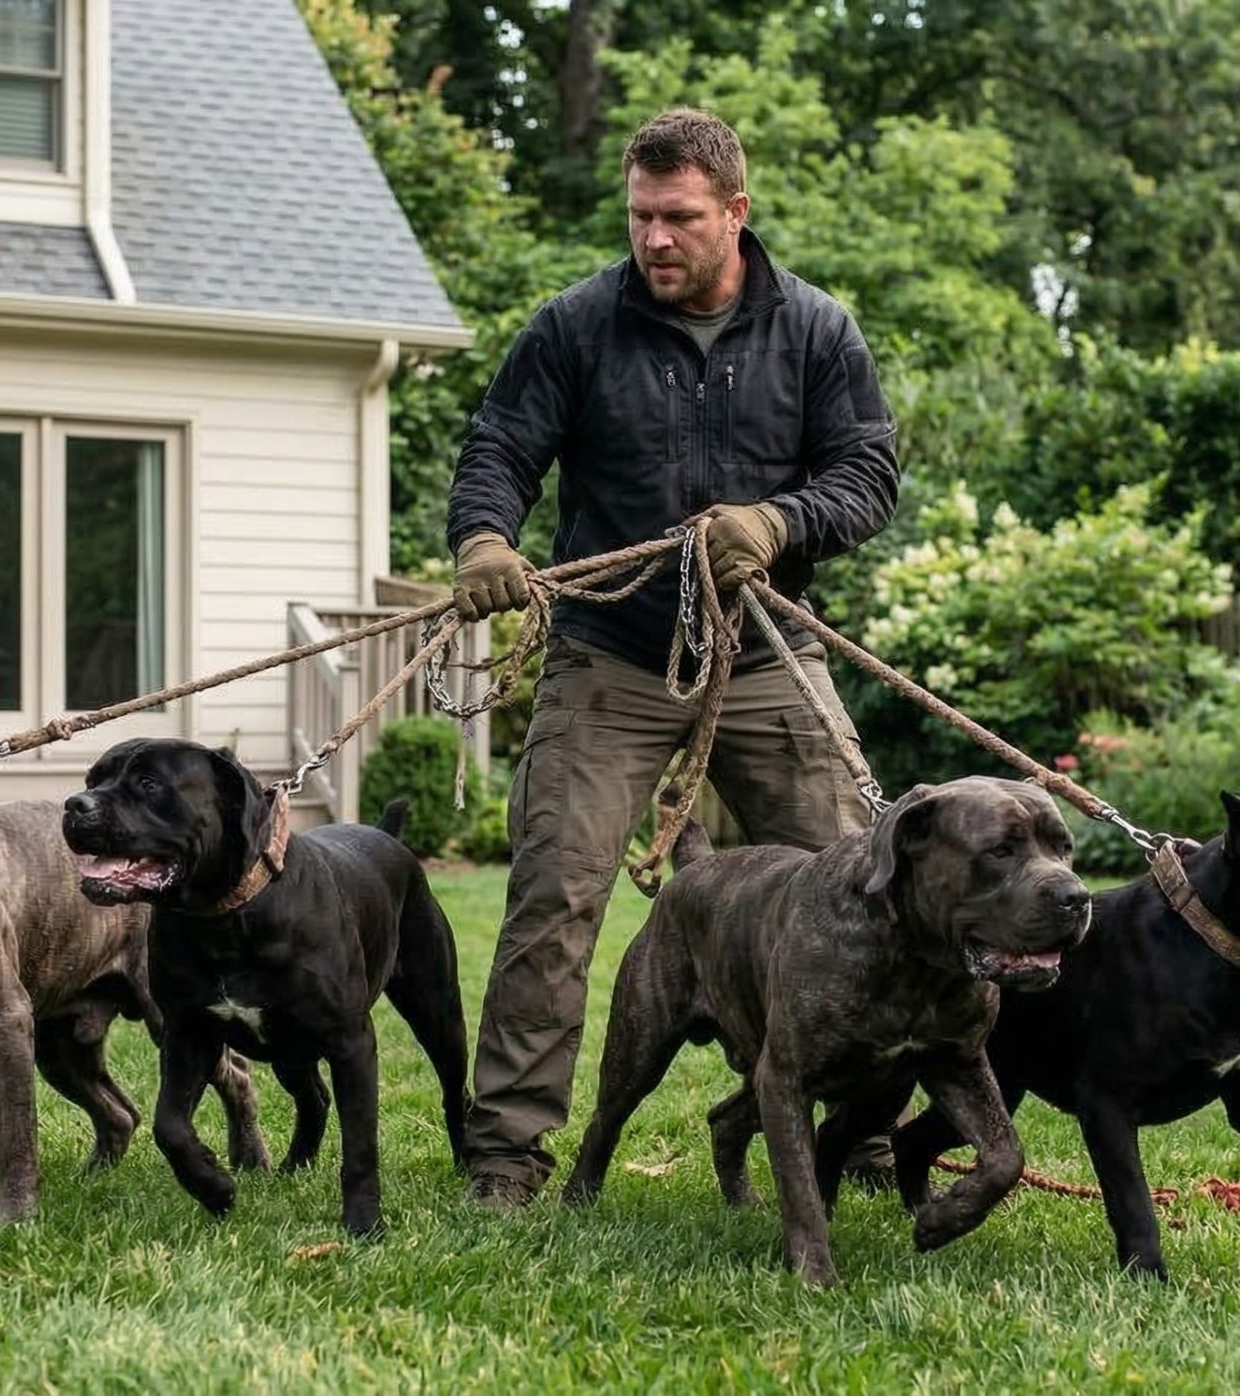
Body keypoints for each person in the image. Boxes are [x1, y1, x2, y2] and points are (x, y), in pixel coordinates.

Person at [448, 107, 902, 1208]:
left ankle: (867, 1130)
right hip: (607, 657)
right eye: (641, 216)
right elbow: (499, 446)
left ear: (735, 214)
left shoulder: (817, 332)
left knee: (867, 883)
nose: (655, 238)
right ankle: (507, 1154)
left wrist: (781, 523)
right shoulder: (573, 326)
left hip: (768, 656)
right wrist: (484, 538)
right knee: (552, 898)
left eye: (680, 218)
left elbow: (867, 475)